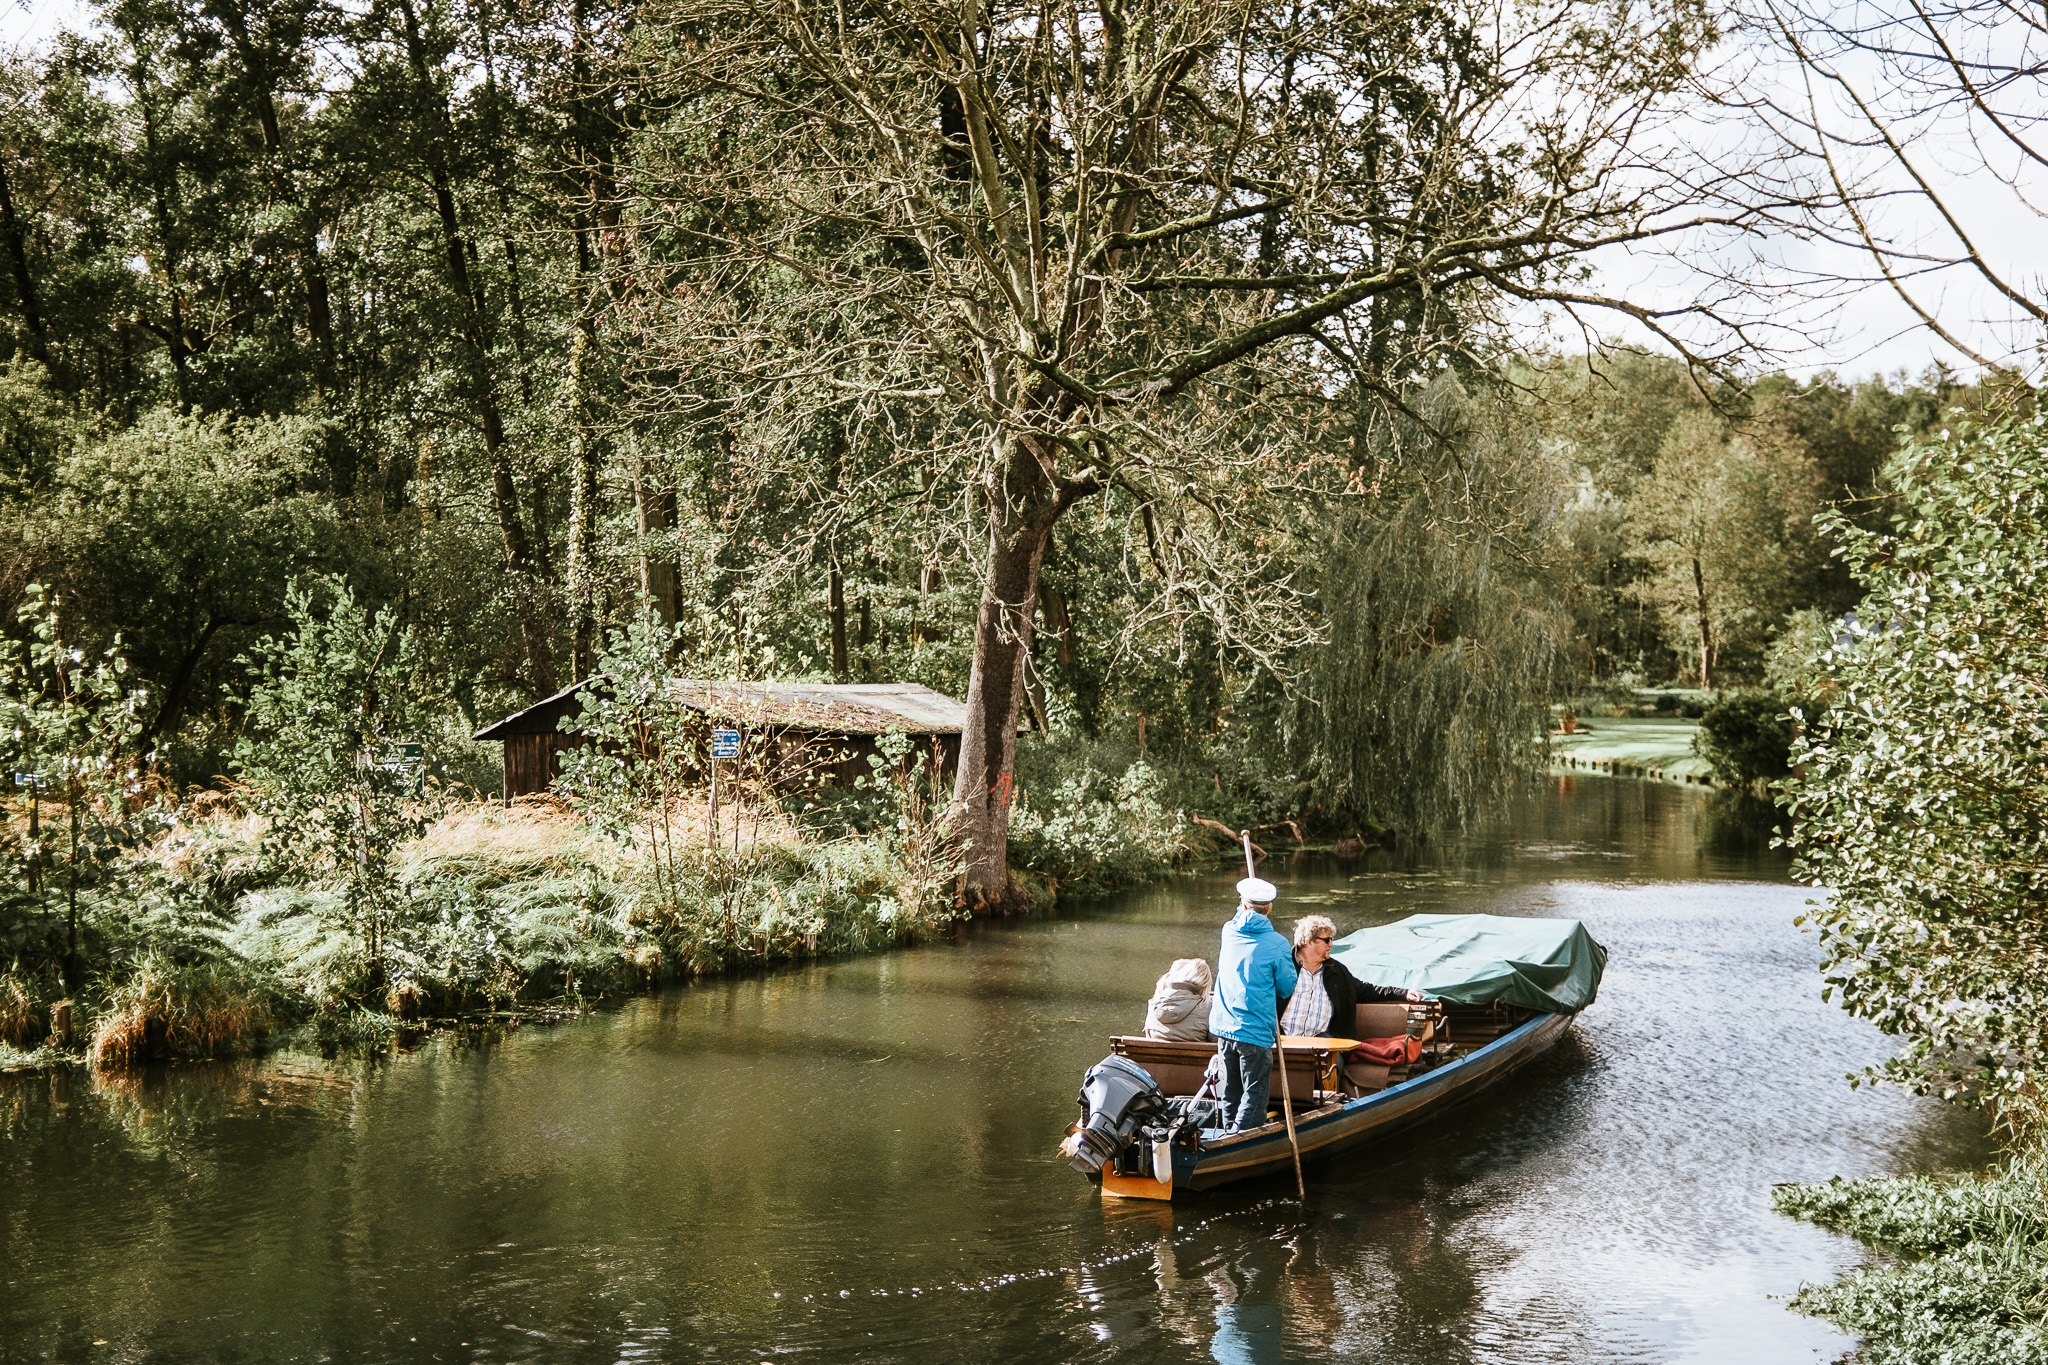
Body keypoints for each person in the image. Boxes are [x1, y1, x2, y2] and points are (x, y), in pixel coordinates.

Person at [1208, 876, 1297, 1132]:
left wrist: (1245, 907)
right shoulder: (1278, 943)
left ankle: (1227, 1134)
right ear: (1269, 908)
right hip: (1254, 1031)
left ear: (1243, 905)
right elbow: (1286, 987)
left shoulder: (1229, 931)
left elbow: (1240, 917)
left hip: (1224, 1028)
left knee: (1230, 1090)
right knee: (1255, 1094)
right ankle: (1240, 1140)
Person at [1280, 914, 1424, 1040]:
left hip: (1325, 1045)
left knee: (1329, 1057)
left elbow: (1367, 990)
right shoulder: (1282, 967)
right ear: (1308, 941)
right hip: (1281, 1041)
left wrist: (1404, 993)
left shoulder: (1337, 972)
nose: (1331, 944)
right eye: (1326, 940)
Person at [1142, 958, 1214, 1041]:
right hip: (1192, 1054)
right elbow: (1216, 1042)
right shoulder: (1208, 1008)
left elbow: (1148, 1036)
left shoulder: (1155, 1003)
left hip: (1153, 1053)